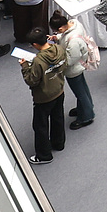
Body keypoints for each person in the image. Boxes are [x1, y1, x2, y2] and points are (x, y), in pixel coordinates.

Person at [21, 22, 69, 163]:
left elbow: (31, 80)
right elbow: (65, 64)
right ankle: (58, 143)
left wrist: (24, 66)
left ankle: (44, 155)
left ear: (35, 45)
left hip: (44, 97)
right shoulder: (59, 49)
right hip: (59, 89)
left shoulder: (38, 61)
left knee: (40, 125)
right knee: (58, 117)